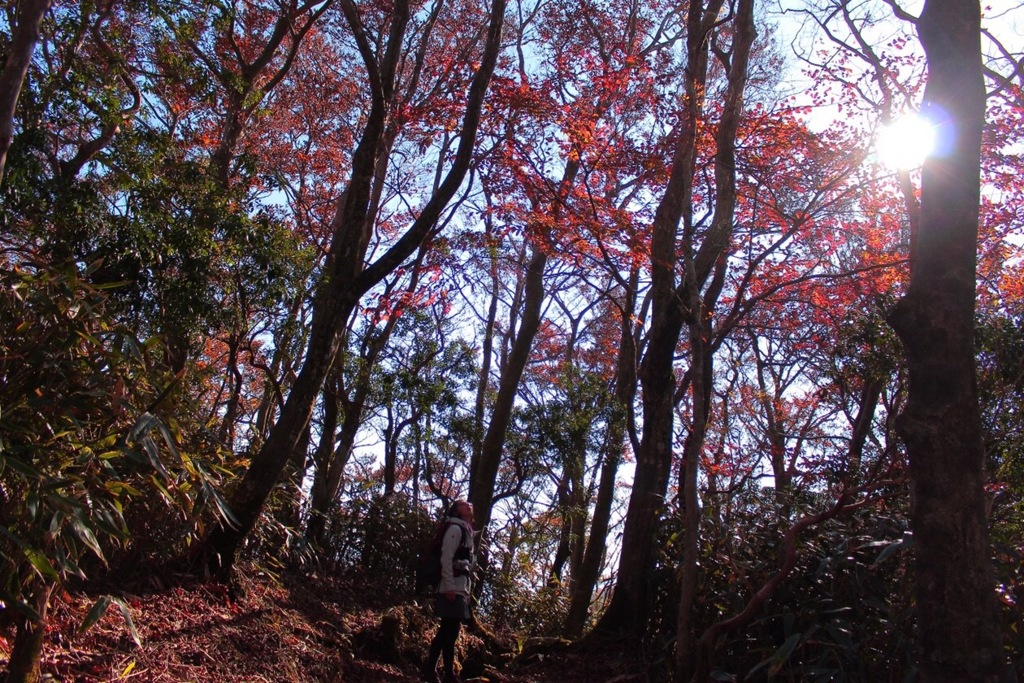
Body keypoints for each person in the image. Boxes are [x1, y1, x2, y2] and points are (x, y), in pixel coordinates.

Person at [423, 499, 475, 683]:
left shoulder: (466, 531)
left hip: (459, 588)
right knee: (449, 631)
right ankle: (444, 674)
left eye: (469, 504)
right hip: (450, 587)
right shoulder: (455, 529)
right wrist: (450, 585)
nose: (468, 505)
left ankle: (435, 671)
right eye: (462, 504)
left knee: (448, 631)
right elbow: (446, 557)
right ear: (456, 510)